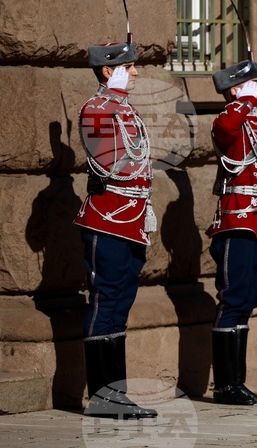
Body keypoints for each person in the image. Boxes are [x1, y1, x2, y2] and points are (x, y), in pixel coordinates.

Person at [76, 40, 158, 419]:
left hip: (132, 220)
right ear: (108, 70)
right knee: (105, 301)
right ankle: (101, 397)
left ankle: (116, 394)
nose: (136, 71)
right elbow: (107, 159)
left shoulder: (124, 109)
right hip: (107, 218)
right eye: (129, 65)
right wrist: (113, 96)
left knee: (119, 308)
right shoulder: (97, 108)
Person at [207, 61, 257, 405]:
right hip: (236, 222)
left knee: (247, 301)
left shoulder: (254, 123)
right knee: (233, 300)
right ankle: (224, 385)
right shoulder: (230, 119)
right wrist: (243, 101)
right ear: (236, 89)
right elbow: (226, 128)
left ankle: (238, 382)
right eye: (253, 83)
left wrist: (247, 104)